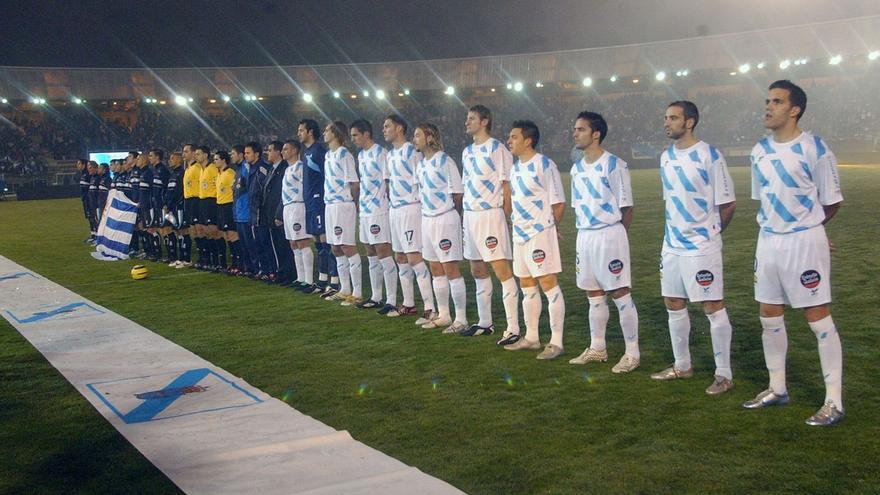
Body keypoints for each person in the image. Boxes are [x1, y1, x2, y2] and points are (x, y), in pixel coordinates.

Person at [743, 80, 844, 426]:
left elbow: (831, 201)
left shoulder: (815, 148)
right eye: (767, 100)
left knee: (817, 319)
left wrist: (811, 230)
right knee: (769, 315)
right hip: (768, 240)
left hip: (804, 243)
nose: (768, 107)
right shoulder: (758, 151)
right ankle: (777, 388)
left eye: (777, 101)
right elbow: (764, 200)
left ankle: (834, 401)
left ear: (795, 109)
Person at [651, 101, 737, 396]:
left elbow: (728, 203)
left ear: (690, 122)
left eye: (673, 118)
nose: (667, 123)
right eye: (666, 118)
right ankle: (682, 365)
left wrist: (711, 233)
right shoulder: (665, 157)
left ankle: (723, 374)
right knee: (673, 303)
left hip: (702, 246)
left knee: (712, 307)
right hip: (672, 245)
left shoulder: (710, 155)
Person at [567, 111, 641, 374]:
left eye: (580, 129)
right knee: (593, 294)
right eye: (575, 129)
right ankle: (598, 348)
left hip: (610, 234)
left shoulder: (615, 165)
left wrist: (617, 236)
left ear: (595, 133)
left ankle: (632, 353)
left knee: (620, 292)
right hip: (584, 236)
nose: (575, 133)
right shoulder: (576, 169)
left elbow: (627, 208)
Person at [503, 120, 567, 360]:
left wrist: (552, 227)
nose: (509, 141)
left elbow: (558, 202)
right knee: (527, 286)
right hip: (519, 233)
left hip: (540, 232)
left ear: (528, 140)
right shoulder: (515, 167)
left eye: (514, 137)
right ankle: (531, 338)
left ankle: (556, 342)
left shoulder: (544, 164)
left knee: (548, 284)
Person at [460, 105, 521, 343]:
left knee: (501, 270)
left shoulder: (497, 149)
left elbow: (507, 186)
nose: (467, 122)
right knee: (477, 269)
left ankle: (513, 328)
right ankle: (485, 323)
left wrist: (504, 217)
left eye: (472, 118)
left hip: (490, 215)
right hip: (471, 215)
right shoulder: (466, 151)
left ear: (484, 122)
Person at [413, 123, 467, 332]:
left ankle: (461, 319)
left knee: (450, 269)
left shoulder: (445, 161)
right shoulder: (421, 165)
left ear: (429, 137)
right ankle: (444, 314)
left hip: (445, 219)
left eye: (417, 135)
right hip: (427, 220)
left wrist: (455, 218)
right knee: (435, 269)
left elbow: (458, 194)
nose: (414, 139)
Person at [383, 114, 435, 321]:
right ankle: (408, 303)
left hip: (411, 208)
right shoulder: (390, 155)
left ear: (399, 128)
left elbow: (421, 180)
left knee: (414, 257)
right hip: (395, 209)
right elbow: (389, 184)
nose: (384, 129)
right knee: (401, 257)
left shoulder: (411, 153)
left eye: (387, 126)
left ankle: (430, 307)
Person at [350, 119, 398, 311]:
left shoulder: (381, 153)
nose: (353, 139)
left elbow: (388, 182)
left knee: (383, 252)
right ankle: (376, 296)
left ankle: (392, 300)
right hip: (365, 210)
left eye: (355, 135)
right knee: (370, 252)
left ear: (366, 134)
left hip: (379, 210)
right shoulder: (361, 156)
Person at [321, 122, 363, 304]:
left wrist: (352, 203)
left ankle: (358, 292)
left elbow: (354, 183)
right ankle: (345, 288)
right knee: (335, 248)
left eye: (327, 130)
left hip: (342, 204)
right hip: (330, 205)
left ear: (336, 133)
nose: (324, 133)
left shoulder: (344, 154)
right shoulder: (328, 155)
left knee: (347, 246)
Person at [298, 119, 336, 294]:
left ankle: (334, 281)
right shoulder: (306, 152)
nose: (298, 133)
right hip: (309, 202)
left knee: (325, 241)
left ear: (310, 131)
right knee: (318, 243)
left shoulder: (319, 151)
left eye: (301, 130)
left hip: (319, 200)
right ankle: (321, 281)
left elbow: (326, 175)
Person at [278, 139, 310, 287]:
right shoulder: (287, 169)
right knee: (293, 243)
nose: (283, 151)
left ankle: (308, 280)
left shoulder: (300, 167)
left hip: (298, 206)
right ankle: (300, 278)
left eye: (286, 149)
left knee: (302, 241)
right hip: (287, 207)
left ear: (295, 151)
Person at [261, 140, 293, 284]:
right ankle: (281, 272)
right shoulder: (272, 168)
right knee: (276, 244)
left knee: (284, 245)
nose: (267, 153)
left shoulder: (285, 168)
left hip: (280, 212)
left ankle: (288, 274)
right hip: (270, 212)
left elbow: (282, 193)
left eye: (270, 150)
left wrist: (279, 213)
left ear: (277, 152)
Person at [243, 142, 269, 277]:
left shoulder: (262, 168)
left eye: (248, 153)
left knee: (263, 242)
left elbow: (265, 188)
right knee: (257, 241)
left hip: (260, 211)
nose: (245, 155)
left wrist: (260, 204)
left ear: (257, 154)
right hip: (253, 211)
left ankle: (268, 270)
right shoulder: (251, 169)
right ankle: (262, 269)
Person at [232, 144, 257, 276]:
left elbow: (249, 189)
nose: (231, 156)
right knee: (244, 243)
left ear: (240, 155)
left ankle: (254, 268)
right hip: (239, 213)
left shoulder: (246, 168)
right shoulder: (238, 170)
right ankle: (248, 268)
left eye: (233, 154)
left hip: (246, 213)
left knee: (250, 243)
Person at [215, 150, 239, 273]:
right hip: (220, 205)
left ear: (223, 160)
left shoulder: (230, 173)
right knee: (226, 235)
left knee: (232, 234)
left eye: (217, 159)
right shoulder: (219, 173)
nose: (214, 162)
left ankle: (238, 262)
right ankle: (234, 261)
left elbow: (234, 190)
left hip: (228, 205)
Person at [196, 145, 220, 270]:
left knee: (213, 231)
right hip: (202, 201)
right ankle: (209, 259)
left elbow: (217, 184)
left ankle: (218, 261)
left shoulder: (212, 168)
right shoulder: (201, 169)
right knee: (204, 231)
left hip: (211, 201)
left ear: (206, 155)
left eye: (198, 154)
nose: (196, 156)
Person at [177, 144, 201, 268]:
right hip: (188, 201)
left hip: (196, 200)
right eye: (183, 151)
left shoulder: (197, 168)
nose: (183, 154)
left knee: (199, 230)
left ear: (193, 153)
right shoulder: (187, 169)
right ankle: (200, 257)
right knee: (193, 230)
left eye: (186, 151)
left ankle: (204, 258)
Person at [147, 149, 169, 261]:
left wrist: (165, 203)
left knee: (165, 229)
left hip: (161, 205)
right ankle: (157, 253)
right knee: (153, 228)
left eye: (151, 155)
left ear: (157, 157)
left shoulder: (163, 170)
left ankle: (170, 255)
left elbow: (166, 188)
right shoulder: (153, 170)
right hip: (155, 204)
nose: (149, 157)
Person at [164, 151, 185, 267]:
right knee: (174, 230)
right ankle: (174, 257)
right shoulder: (173, 174)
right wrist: (166, 204)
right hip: (170, 208)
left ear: (179, 160)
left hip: (177, 207)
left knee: (181, 231)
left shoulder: (181, 173)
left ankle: (184, 259)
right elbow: (169, 192)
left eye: (172, 158)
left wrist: (173, 204)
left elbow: (179, 192)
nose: (169, 160)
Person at [76, 158, 94, 243]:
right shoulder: (83, 174)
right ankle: (93, 234)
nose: (77, 165)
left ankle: (95, 235)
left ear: (84, 165)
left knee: (92, 217)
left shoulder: (87, 174)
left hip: (89, 200)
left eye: (79, 163)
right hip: (85, 199)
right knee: (90, 218)